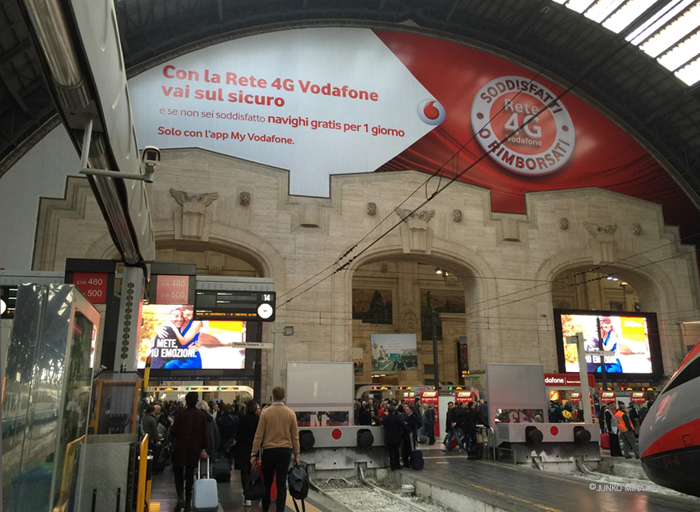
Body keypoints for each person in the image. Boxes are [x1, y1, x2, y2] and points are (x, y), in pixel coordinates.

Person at [250, 386, 300, 512]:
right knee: (281, 484)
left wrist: (254, 453)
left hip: (269, 451)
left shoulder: (265, 413)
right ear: (284, 396)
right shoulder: (290, 413)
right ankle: (280, 510)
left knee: (267, 482)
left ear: (273, 397)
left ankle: (265, 508)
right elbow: (295, 437)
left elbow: (259, 435)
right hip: (284, 451)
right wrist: (296, 454)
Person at [170, 392, 208, 512]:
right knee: (190, 474)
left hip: (180, 448)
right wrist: (203, 448)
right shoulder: (201, 415)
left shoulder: (180, 414)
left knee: (178, 472)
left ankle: (180, 496)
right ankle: (188, 501)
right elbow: (204, 435)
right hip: (194, 449)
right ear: (196, 401)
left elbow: (173, 432)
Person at [234, 400, 259, 507]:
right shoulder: (258, 419)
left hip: (242, 447)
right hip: (254, 447)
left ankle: (246, 495)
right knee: (252, 470)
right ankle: (253, 491)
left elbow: (237, 433)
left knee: (244, 472)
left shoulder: (242, 419)